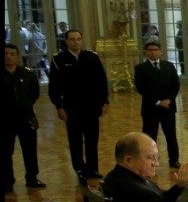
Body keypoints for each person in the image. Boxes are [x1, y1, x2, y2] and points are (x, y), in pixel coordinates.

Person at [49, 29, 109, 182]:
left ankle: (92, 168)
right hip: (71, 108)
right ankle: (79, 168)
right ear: (66, 41)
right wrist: (59, 106)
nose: (76, 42)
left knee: (92, 139)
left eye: (79, 39)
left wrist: (105, 101)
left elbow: (102, 81)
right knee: (75, 140)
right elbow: (54, 85)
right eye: (73, 39)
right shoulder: (58, 59)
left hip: (91, 107)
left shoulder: (92, 57)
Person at [3, 43, 44, 192]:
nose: (9, 56)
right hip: (5, 120)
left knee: (30, 150)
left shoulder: (27, 74)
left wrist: (25, 104)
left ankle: (32, 178)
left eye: (12, 54)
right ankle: (7, 181)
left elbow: (34, 93)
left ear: (17, 57)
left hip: (25, 117)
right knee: (6, 151)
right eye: (6, 54)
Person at [134, 40, 181, 168]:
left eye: (156, 50)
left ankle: (174, 159)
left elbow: (175, 85)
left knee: (171, 135)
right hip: (151, 108)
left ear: (161, 52)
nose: (153, 52)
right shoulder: (140, 68)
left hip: (168, 108)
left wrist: (169, 100)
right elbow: (141, 88)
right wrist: (158, 102)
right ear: (145, 53)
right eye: (150, 50)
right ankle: (149, 161)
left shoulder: (169, 66)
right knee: (149, 137)